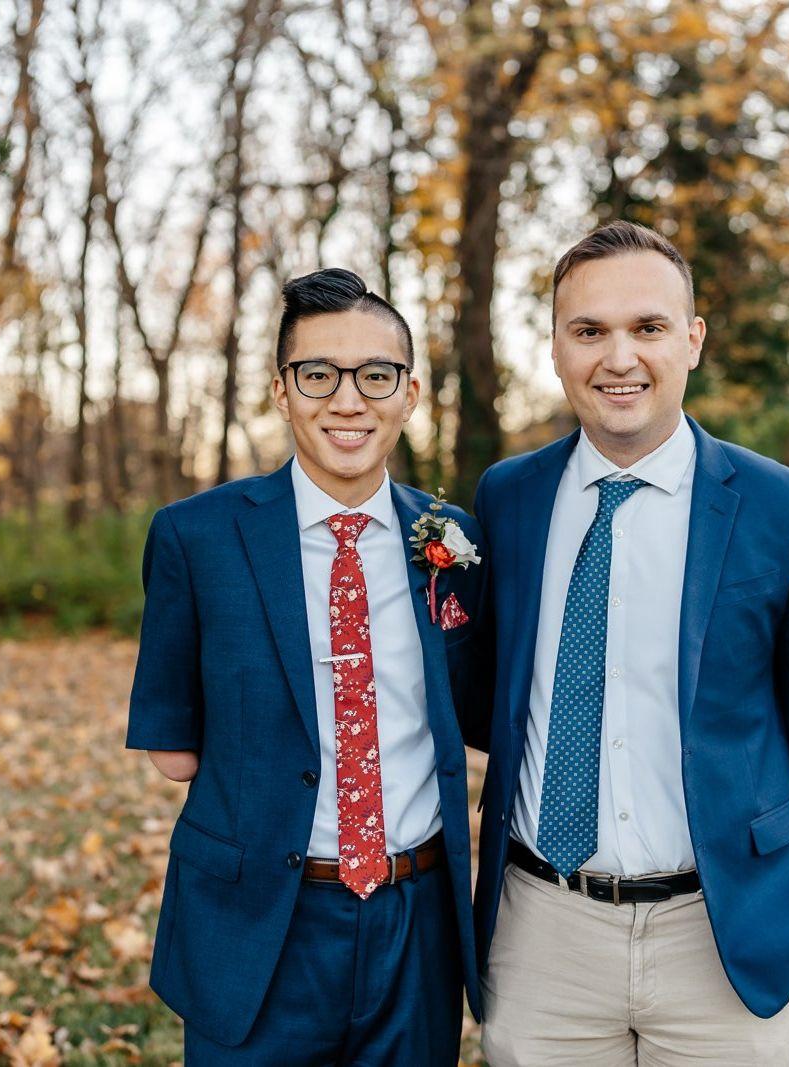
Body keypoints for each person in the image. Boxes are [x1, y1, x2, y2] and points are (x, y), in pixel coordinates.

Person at [472, 221, 789, 1065]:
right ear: (555, 348)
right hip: (542, 935)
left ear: (691, 340)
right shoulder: (506, 499)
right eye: (589, 330)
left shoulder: (787, 507)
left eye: (646, 327)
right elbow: (486, 699)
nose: (618, 357)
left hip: (725, 933)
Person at [125, 268, 487, 1065]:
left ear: (409, 394)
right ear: (282, 392)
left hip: (415, 922)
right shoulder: (197, 536)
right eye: (318, 374)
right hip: (256, 920)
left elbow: (474, 706)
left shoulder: (451, 539)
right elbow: (173, 748)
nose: (347, 400)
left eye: (375, 375)